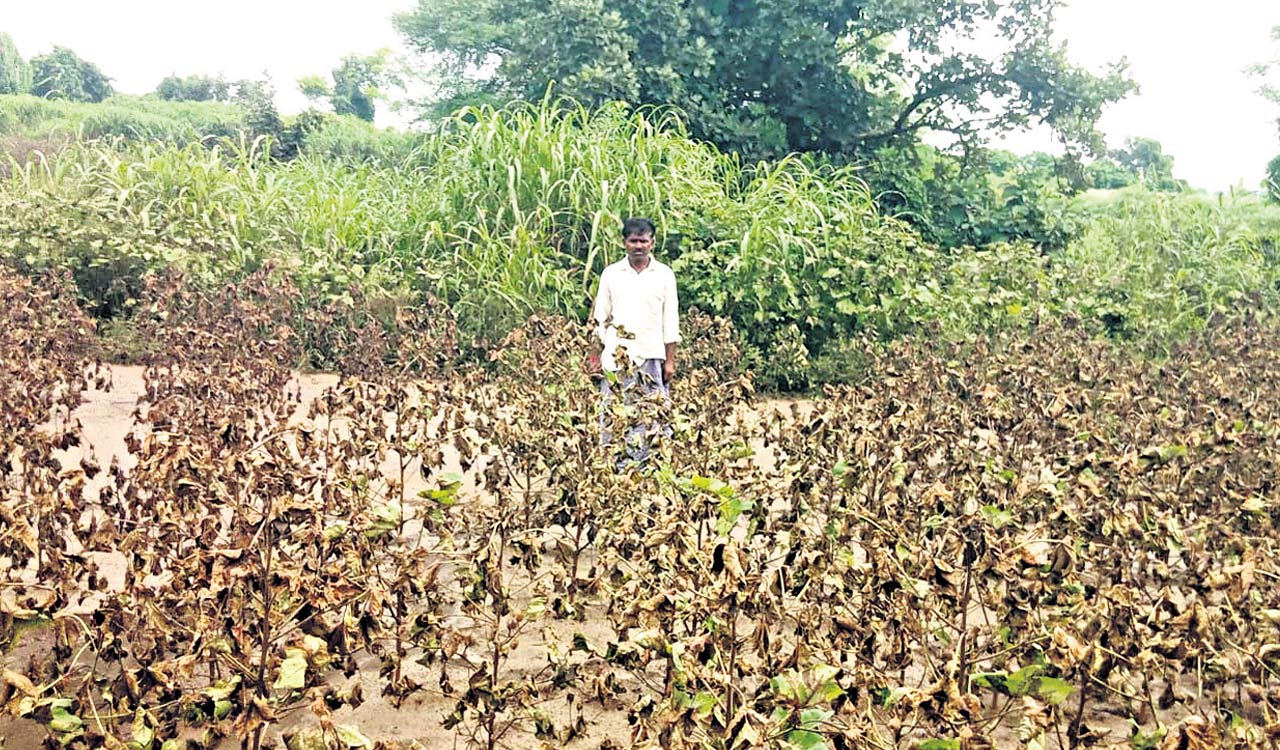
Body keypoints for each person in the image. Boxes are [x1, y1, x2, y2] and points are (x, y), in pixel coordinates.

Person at [586, 217, 680, 464]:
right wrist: (595, 357)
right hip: (616, 359)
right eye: (633, 241)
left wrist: (670, 361)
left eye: (643, 241)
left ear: (652, 243)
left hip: (650, 357)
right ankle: (615, 469)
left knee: (653, 415)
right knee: (613, 415)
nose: (638, 246)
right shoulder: (611, 274)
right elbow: (600, 319)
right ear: (624, 242)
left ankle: (651, 469)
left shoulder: (664, 275)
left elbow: (670, 321)